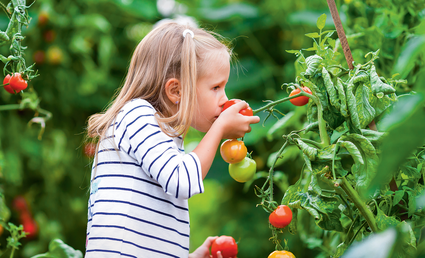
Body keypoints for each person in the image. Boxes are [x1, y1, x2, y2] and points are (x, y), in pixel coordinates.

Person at [84, 21, 260, 258]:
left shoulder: (161, 134)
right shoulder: (137, 115)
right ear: (176, 91)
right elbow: (181, 181)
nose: (224, 98)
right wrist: (219, 129)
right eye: (216, 87)